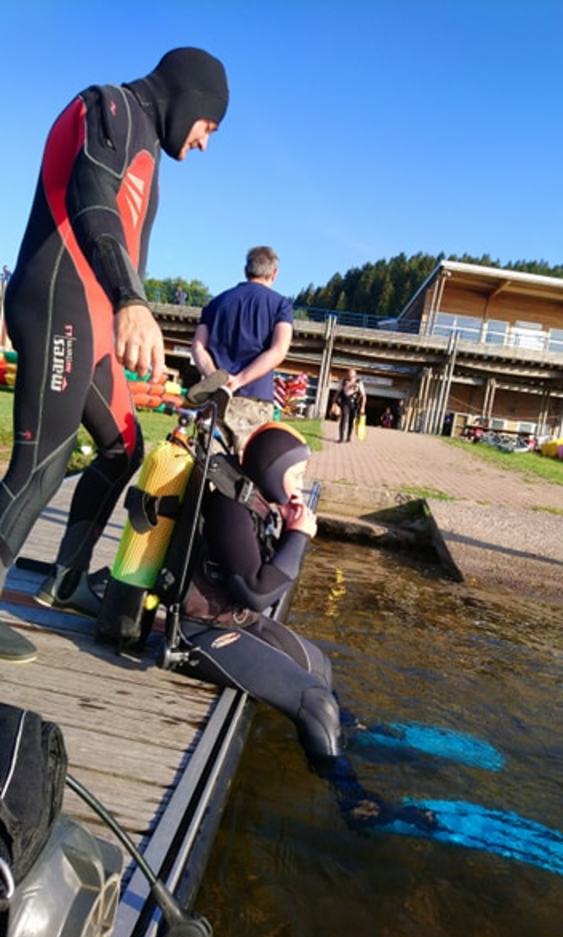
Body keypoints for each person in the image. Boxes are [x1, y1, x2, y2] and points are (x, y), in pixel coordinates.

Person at [0, 48, 229, 662]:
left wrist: (126, 311)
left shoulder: (144, 137)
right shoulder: (112, 106)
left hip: (93, 319)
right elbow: (92, 195)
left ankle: (66, 578)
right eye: (210, 126)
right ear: (191, 98)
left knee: (123, 448)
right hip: (58, 301)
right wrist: (132, 300)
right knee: (42, 461)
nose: (205, 143)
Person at [175, 421, 436, 834]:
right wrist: (298, 536)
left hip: (236, 619)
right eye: (294, 474)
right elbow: (258, 592)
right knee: (316, 702)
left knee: (319, 666)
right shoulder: (230, 508)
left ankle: (349, 735)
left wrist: (286, 527)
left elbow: (257, 587)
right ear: (271, 470)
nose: (300, 484)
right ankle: (355, 802)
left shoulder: (251, 500)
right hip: (198, 633)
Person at [191, 246, 293, 450]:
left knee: (209, 464)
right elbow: (279, 350)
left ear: (246, 270)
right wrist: (238, 381)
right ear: (274, 273)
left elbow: (198, 346)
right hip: (254, 401)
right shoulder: (280, 305)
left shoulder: (216, 303)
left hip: (215, 398)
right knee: (248, 465)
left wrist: (216, 378)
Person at [334, 368, 366, 442]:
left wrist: (363, 407)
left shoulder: (359, 382)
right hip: (345, 402)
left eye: (352, 375)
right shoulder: (343, 381)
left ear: (355, 375)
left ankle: (348, 437)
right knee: (344, 418)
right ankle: (341, 438)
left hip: (354, 403)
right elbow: (337, 392)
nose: (350, 377)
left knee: (351, 420)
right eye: (349, 375)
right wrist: (334, 403)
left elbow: (364, 396)